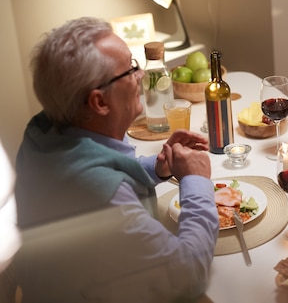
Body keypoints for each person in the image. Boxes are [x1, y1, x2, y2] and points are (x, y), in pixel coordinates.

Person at [14, 17, 219, 302]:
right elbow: (188, 274)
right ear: (99, 102)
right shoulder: (103, 198)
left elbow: (95, 166)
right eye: (130, 69)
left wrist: (155, 168)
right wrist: (196, 181)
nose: (140, 75)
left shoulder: (44, 131)